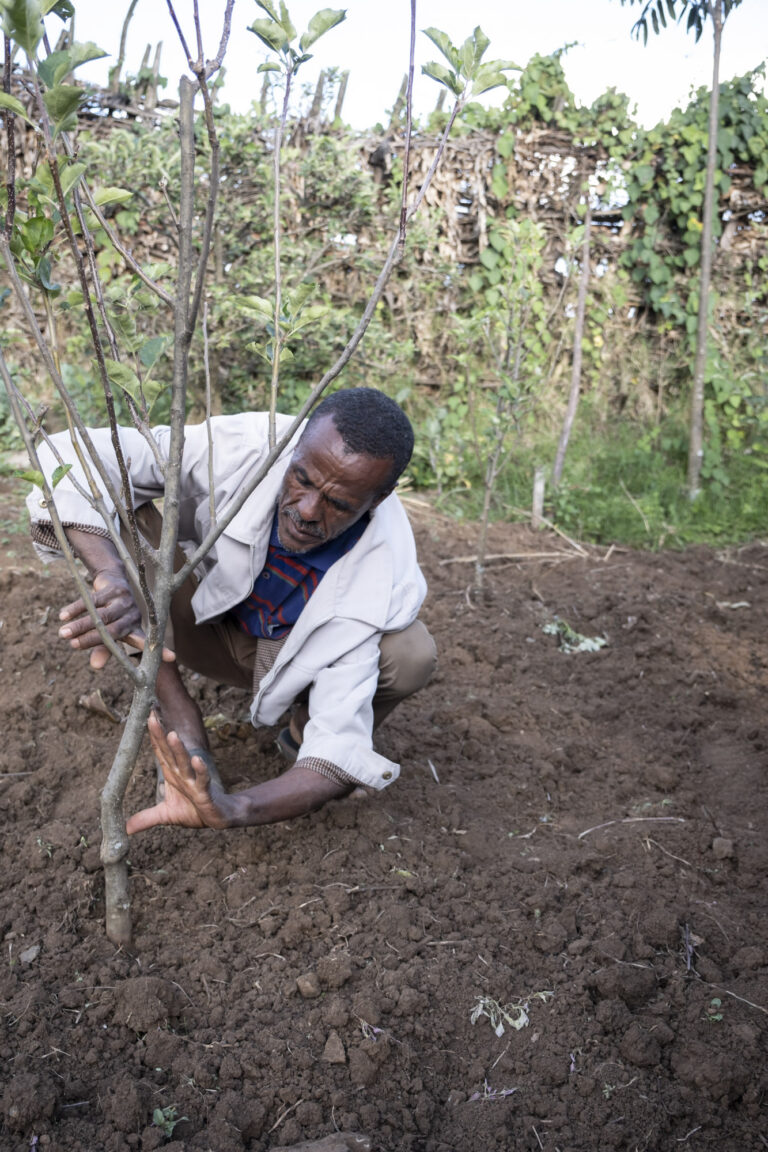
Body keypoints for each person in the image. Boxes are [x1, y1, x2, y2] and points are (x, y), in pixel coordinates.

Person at [27, 388, 436, 833]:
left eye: (338, 504)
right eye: (302, 479)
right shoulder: (248, 445)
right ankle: (181, 718)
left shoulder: (381, 573)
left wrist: (234, 807)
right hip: (193, 621)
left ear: (377, 500)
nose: (307, 510)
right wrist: (110, 574)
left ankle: (300, 732)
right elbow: (71, 454)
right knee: (118, 509)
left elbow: (339, 749)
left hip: (285, 661)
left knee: (410, 652)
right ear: (295, 446)